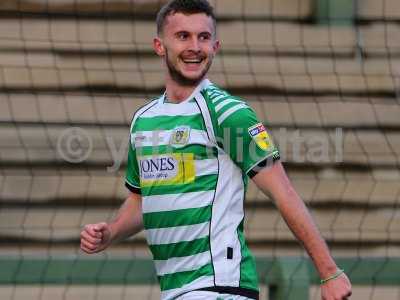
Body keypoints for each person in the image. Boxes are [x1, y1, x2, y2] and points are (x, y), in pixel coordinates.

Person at [80, 1, 352, 299]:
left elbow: (283, 192)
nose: (195, 46)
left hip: (219, 286)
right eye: (183, 36)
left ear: (216, 45)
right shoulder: (144, 121)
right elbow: (142, 200)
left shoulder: (228, 114)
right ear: (160, 45)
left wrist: (329, 273)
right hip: (177, 290)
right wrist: (111, 232)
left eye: (204, 37)